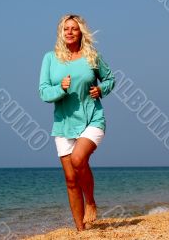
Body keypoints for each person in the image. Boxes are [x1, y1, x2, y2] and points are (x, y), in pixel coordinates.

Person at [38, 14, 116, 231]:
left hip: (92, 118)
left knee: (78, 158)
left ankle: (90, 201)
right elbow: (43, 92)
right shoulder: (50, 59)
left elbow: (110, 78)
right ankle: (81, 231)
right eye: (66, 29)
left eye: (74, 28)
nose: (69, 32)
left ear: (81, 31)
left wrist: (101, 89)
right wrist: (60, 89)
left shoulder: (92, 56)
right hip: (63, 125)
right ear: (60, 33)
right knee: (71, 180)